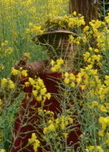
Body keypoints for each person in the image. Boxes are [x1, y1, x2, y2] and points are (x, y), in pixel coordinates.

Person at [9, 21, 82, 152]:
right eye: (58, 41)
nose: (66, 46)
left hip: (69, 133)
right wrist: (18, 72)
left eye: (70, 41)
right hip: (35, 132)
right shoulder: (40, 68)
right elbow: (7, 98)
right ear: (48, 45)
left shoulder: (79, 75)